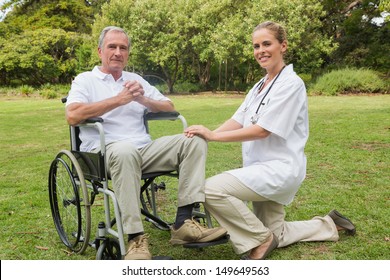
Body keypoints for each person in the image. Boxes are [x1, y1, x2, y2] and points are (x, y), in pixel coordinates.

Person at [184, 21, 356, 260]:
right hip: (259, 169)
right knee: (278, 232)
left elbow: (263, 130)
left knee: (211, 189)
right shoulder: (258, 86)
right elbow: (239, 118)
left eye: (267, 43)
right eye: (256, 46)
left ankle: (260, 240)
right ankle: (328, 224)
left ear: (282, 46)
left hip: (279, 170)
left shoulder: (291, 84)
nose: (260, 50)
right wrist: (209, 135)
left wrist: (214, 136)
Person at [65, 26, 227, 260]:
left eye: (123, 48)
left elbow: (170, 107)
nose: (118, 52)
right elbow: (73, 115)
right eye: (112, 47)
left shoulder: (135, 80)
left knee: (194, 140)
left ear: (128, 53)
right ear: (100, 51)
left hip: (143, 150)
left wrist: (141, 97)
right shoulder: (86, 80)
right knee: (125, 151)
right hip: (105, 152)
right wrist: (119, 100)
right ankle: (135, 239)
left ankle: (184, 223)